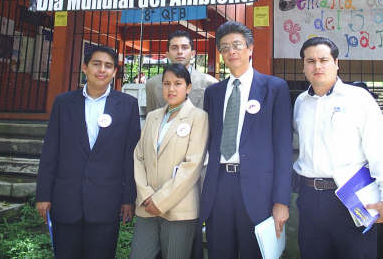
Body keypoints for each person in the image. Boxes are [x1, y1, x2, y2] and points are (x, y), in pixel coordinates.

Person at [293, 37, 383, 259]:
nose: (317, 66)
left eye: (324, 60)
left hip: (351, 197)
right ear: (304, 66)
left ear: (336, 63)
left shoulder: (358, 99)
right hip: (309, 197)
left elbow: (379, 150)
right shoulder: (300, 103)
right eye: (311, 61)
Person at [35, 46, 141, 259]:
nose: (102, 70)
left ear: (114, 72)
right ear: (85, 67)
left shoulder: (127, 105)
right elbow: (50, 151)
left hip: (106, 202)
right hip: (66, 200)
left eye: (108, 66)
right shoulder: (64, 103)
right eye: (96, 64)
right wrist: (43, 195)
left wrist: (128, 198)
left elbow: (132, 156)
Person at [200, 21, 293, 259]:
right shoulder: (213, 93)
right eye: (225, 47)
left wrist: (281, 200)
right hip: (219, 186)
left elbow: (283, 148)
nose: (231, 51)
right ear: (221, 54)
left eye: (237, 45)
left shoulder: (274, 88)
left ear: (250, 48)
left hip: (258, 191)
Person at [130, 63, 209, 259]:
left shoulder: (199, 117)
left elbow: (192, 165)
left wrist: (161, 200)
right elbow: (139, 157)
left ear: (188, 87)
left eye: (178, 83)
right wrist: (146, 194)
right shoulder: (152, 117)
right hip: (147, 206)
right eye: (166, 83)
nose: (171, 89)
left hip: (179, 209)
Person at [145, 30, 217, 113]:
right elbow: (151, 120)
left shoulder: (210, 84)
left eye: (185, 47)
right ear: (167, 54)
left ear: (193, 54)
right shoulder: (152, 84)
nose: (180, 52)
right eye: (174, 48)